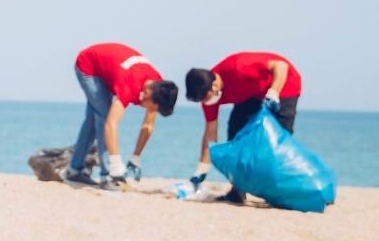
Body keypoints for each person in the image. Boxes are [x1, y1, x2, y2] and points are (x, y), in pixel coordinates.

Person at [184, 51, 302, 204]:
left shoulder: (239, 67)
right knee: (235, 133)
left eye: (207, 97)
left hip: (283, 84)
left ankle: (283, 193)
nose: (207, 101)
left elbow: (281, 66)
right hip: (250, 94)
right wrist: (203, 167)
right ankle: (237, 191)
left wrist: (274, 92)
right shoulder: (208, 98)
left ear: (215, 84)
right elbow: (210, 132)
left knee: (278, 141)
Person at [65, 42, 178, 188]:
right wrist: (116, 163)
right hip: (88, 65)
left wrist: (136, 156)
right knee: (103, 116)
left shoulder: (159, 87)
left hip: (108, 67)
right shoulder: (129, 86)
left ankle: (74, 171)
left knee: (93, 119)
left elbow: (148, 125)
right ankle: (108, 177)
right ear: (147, 94)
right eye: (152, 107)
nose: (149, 110)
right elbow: (111, 124)